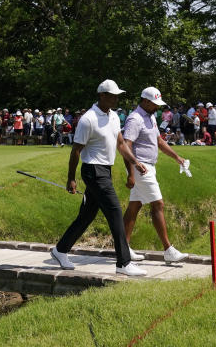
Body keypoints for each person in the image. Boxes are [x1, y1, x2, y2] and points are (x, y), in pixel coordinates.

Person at [50, 80, 149, 277]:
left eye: (116, 95)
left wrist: (135, 162)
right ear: (102, 95)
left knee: (87, 215)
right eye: (112, 95)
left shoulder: (113, 116)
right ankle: (123, 263)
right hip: (93, 171)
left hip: (105, 170)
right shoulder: (88, 119)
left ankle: (60, 250)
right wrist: (71, 178)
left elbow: (121, 144)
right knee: (114, 211)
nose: (115, 98)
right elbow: (76, 150)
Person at [121, 87, 189, 263]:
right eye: (155, 104)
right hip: (141, 167)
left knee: (134, 206)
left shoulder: (150, 116)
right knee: (158, 204)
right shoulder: (134, 119)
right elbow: (126, 146)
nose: (158, 107)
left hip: (149, 166)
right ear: (145, 101)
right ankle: (168, 249)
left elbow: (158, 141)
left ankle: (123, 248)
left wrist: (176, 157)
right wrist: (131, 173)